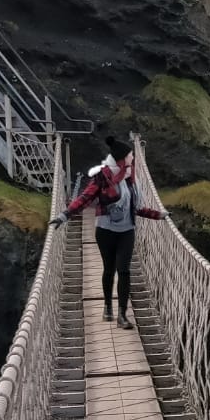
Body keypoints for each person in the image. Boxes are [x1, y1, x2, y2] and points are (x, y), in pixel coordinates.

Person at [49, 138, 165, 329]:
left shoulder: (130, 179)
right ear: (122, 158)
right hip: (105, 231)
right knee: (109, 270)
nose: (133, 157)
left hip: (127, 231)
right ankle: (107, 307)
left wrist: (158, 215)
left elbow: (135, 208)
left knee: (124, 271)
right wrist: (64, 215)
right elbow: (86, 198)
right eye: (130, 155)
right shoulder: (103, 178)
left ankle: (122, 315)